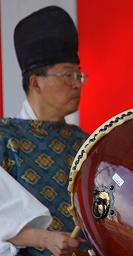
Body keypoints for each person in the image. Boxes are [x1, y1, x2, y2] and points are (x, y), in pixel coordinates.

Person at [0, 6, 88, 256]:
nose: (76, 84)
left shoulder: (85, 142)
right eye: (67, 74)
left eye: (79, 75)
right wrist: (44, 238)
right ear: (35, 82)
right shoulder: (5, 137)